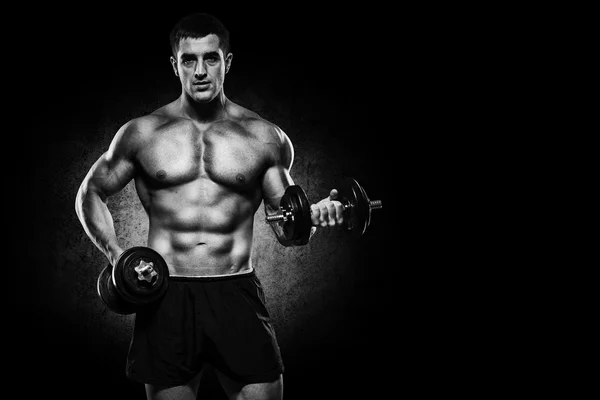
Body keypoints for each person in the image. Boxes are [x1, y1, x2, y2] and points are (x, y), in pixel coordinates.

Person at [75, 12, 344, 400]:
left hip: (237, 292)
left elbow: (287, 230)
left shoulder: (265, 138)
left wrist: (312, 217)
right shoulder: (142, 133)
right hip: (165, 297)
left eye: (211, 58)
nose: (200, 71)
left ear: (227, 62)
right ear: (175, 65)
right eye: (189, 60)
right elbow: (89, 193)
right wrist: (117, 255)